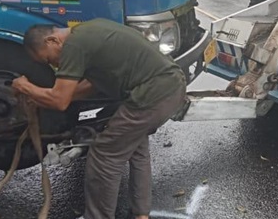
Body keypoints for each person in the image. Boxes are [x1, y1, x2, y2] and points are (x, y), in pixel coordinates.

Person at [11, 18, 187, 219]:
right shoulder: (88, 33)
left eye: (48, 60)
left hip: (153, 95)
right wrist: (41, 98)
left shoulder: (74, 44)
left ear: (52, 41)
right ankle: (141, 215)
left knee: (104, 155)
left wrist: (23, 86)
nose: (54, 66)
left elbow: (60, 101)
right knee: (136, 147)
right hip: (170, 87)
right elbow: (86, 87)